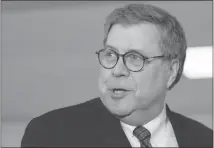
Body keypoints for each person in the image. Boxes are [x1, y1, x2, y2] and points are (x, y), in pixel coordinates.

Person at [21, 3, 213, 147]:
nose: (117, 70)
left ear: (171, 71)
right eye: (111, 54)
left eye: (134, 57)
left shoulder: (205, 140)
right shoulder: (51, 135)